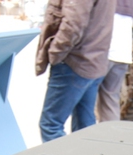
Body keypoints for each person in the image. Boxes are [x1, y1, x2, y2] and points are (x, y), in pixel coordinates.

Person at [35, 0, 116, 142]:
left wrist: (56, 52)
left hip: (75, 61)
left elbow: (73, 24)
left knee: (51, 125)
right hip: (92, 59)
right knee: (84, 128)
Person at [96, 0, 133, 122]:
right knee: (111, 99)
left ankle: (87, 132)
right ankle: (110, 133)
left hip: (102, 50)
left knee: (87, 100)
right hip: (122, 53)